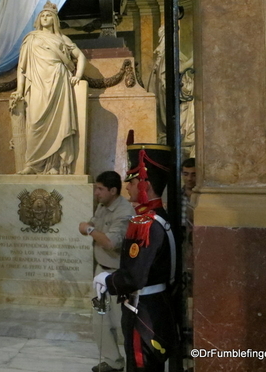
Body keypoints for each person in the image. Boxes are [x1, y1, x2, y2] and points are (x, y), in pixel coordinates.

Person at [93, 144, 179, 372]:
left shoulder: (146, 223)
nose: (128, 187)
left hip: (144, 309)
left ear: (145, 185)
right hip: (156, 304)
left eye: (131, 182)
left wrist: (108, 281)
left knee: (141, 365)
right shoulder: (159, 216)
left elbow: (134, 276)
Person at [10, 0, 86, 175]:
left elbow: (80, 56)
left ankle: (54, 165)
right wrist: (20, 91)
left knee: (58, 124)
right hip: (36, 84)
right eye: (42, 15)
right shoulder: (31, 38)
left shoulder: (61, 39)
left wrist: (78, 75)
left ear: (54, 19)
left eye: (48, 15)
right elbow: (22, 68)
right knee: (35, 122)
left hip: (58, 83)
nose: (45, 18)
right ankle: (33, 164)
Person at [78, 171, 134, 372]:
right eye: (96, 188)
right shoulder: (103, 205)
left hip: (118, 275)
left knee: (122, 323)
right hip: (101, 271)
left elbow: (111, 243)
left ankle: (134, 363)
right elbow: (93, 225)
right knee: (100, 319)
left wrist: (90, 231)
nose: (96, 193)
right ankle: (112, 362)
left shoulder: (124, 211)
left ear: (113, 190)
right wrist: (90, 227)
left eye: (100, 189)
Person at [181, 157, 196, 227]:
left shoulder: (204, 198)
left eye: (194, 175)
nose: (189, 178)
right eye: (186, 174)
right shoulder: (176, 196)